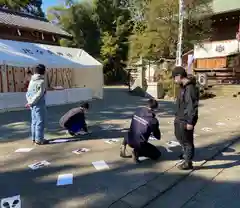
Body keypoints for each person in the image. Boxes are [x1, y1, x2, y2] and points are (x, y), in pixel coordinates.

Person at [172, 66, 199, 170]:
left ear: (179, 76)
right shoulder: (182, 87)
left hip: (186, 119)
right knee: (179, 136)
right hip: (179, 117)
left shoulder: (190, 88)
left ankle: (188, 162)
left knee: (187, 141)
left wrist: (190, 122)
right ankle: (185, 153)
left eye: (174, 78)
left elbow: (192, 106)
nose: (174, 80)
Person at [120, 99, 161, 163]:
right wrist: (154, 129)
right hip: (139, 143)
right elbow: (158, 137)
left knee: (133, 130)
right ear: (155, 109)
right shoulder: (153, 120)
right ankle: (137, 152)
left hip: (129, 138)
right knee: (157, 154)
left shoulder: (137, 111)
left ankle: (123, 145)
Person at [26, 64, 47, 145]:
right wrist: (31, 102)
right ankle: (39, 139)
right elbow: (39, 94)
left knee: (34, 121)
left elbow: (28, 93)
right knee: (40, 121)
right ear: (43, 71)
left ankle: (34, 138)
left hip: (32, 104)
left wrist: (29, 102)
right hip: (39, 103)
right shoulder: (41, 81)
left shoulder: (32, 80)